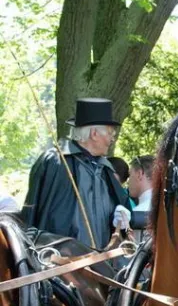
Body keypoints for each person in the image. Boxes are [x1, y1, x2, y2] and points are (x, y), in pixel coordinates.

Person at [22, 98, 130, 248]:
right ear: (94, 134)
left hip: (100, 264)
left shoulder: (105, 171)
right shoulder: (57, 162)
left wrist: (118, 215)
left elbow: (111, 216)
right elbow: (34, 213)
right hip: (61, 262)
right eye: (110, 133)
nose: (112, 139)